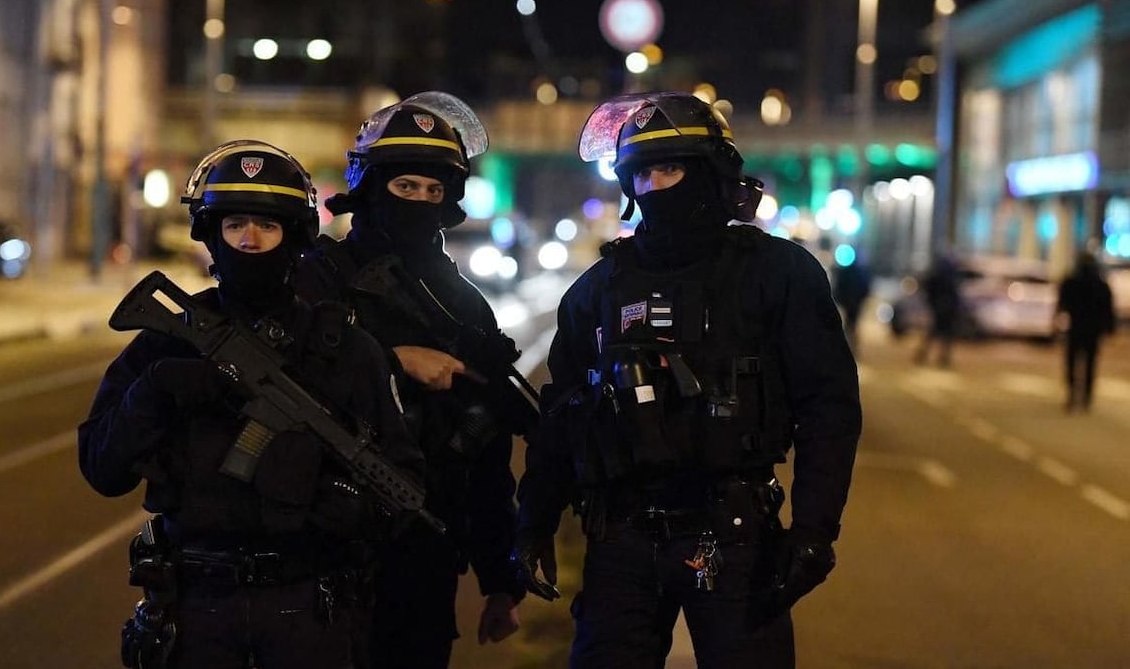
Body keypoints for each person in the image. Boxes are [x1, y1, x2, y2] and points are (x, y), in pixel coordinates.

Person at [512, 92, 862, 668]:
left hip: (735, 538)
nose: (655, 187)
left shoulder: (779, 275)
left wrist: (814, 530)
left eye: (670, 168)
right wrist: (534, 522)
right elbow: (564, 415)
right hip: (618, 541)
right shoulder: (598, 290)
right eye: (643, 174)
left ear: (710, 174)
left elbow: (829, 408)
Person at [78, 140, 425, 669]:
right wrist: (154, 389)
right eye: (235, 224)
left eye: (268, 226)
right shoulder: (167, 341)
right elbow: (102, 469)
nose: (250, 240)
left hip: (307, 606)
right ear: (211, 235)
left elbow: (401, 479)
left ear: (296, 238)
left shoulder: (347, 350)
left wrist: (354, 508)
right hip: (195, 606)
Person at [294, 92, 526, 668]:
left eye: (433, 190)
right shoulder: (315, 278)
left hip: (425, 544)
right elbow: (280, 377)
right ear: (371, 189)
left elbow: (486, 444)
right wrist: (393, 360)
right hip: (320, 545)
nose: (420, 200)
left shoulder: (463, 303)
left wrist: (501, 577)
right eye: (405, 187)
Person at [1056, 251, 1116, 412]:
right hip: (1092, 330)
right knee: (1089, 363)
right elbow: (1108, 309)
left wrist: (1056, 322)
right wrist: (1109, 327)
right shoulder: (1100, 284)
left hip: (1077, 328)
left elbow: (1061, 304)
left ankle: (1073, 394)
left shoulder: (1071, 282)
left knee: (1073, 362)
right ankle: (1086, 396)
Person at [914, 252, 962, 367]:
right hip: (944, 309)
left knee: (937, 333)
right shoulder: (947, 278)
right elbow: (954, 294)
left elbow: (930, 291)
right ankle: (939, 357)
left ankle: (935, 356)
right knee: (941, 334)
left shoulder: (939, 277)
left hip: (942, 308)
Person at [832, 250, 872, 354]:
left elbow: (839, 287)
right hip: (852, 302)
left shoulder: (849, 272)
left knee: (850, 324)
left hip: (851, 302)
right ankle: (850, 346)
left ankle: (849, 346)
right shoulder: (857, 272)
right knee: (851, 324)